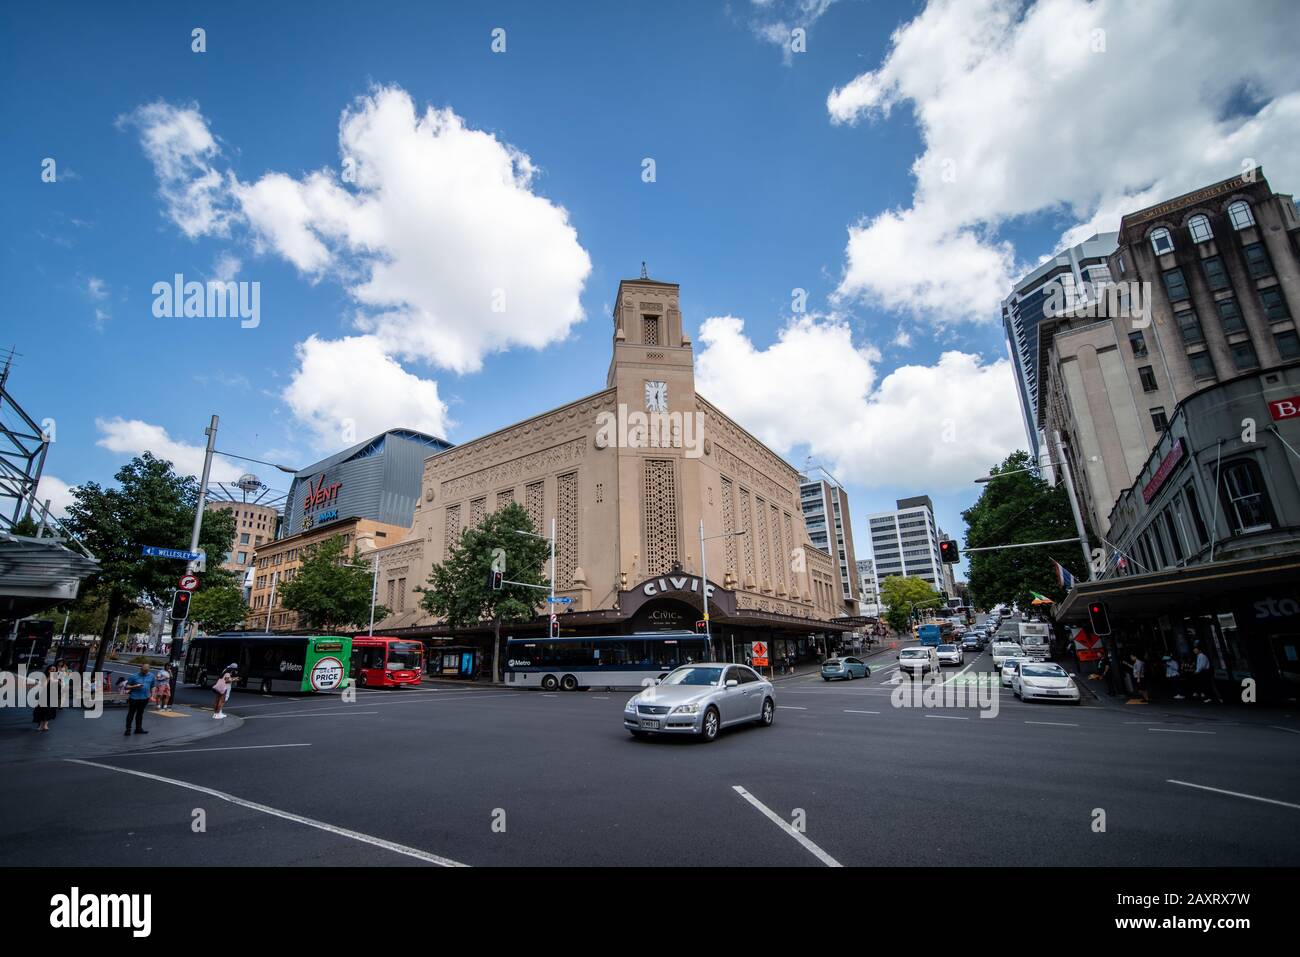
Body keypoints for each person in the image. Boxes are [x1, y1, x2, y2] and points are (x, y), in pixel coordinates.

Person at [124, 663, 155, 735]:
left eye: (147, 670)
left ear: (149, 669)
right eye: (144, 670)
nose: (145, 672)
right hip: (134, 698)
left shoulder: (151, 676)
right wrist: (135, 686)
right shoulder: (134, 676)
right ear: (141, 669)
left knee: (140, 714)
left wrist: (152, 695)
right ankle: (128, 729)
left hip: (145, 698)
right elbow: (126, 687)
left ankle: (138, 729)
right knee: (131, 713)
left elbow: (153, 686)